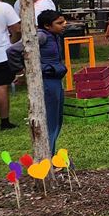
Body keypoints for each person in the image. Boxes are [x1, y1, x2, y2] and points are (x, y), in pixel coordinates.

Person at [37, 10, 69, 154]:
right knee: (50, 122)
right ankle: (46, 157)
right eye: (59, 23)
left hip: (56, 81)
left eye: (64, 21)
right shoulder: (41, 36)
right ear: (47, 25)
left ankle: (51, 154)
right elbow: (14, 50)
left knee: (57, 120)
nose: (64, 24)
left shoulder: (54, 35)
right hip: (47, 82)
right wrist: (23, 70)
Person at [0, 0, 20, 130]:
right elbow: (17, 29)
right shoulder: (4, 7)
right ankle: (4, 122)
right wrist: (12, 43)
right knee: (0, 87)